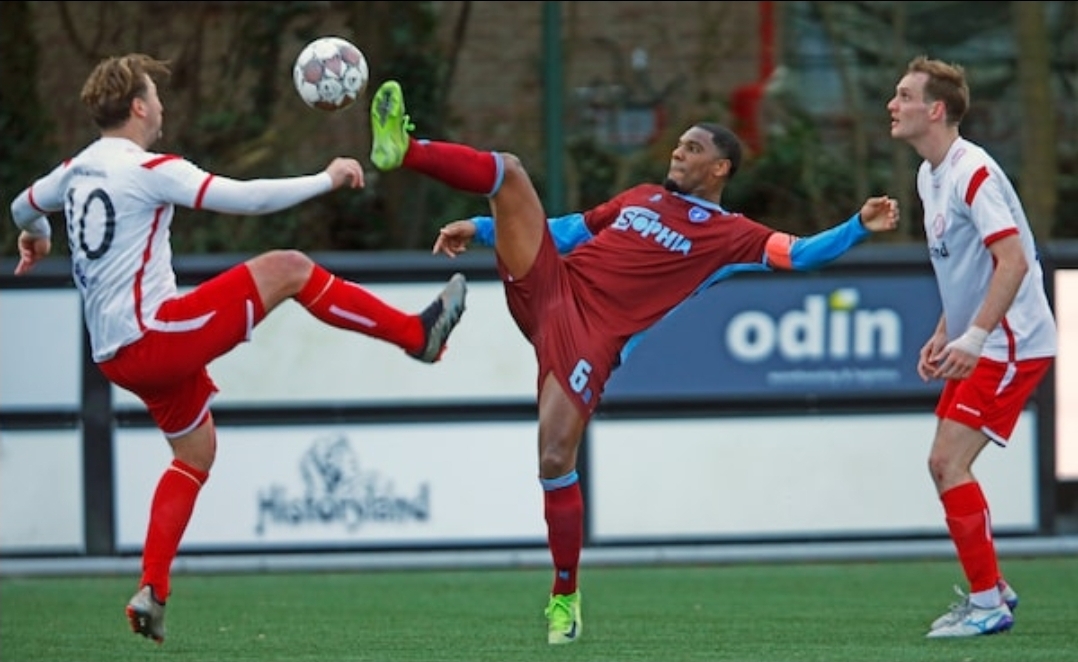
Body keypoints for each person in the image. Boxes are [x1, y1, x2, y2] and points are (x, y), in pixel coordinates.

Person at [368, 80, 899, 644]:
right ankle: (405, 150)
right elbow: (569, 231)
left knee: (553, 457)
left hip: (591, 337)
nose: (679, 152)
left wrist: (857, 228)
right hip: (552, 286)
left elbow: (798, 255)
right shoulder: (641, 196)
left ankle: (564, 596)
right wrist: (480, 229)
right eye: (679, 145)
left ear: (720, 169)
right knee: (509, 171)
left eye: (693, 148)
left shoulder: (730, 235)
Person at [8, 53, 468, 644]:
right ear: (141, 107)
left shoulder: (74, 170)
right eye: (157, 96)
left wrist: (36, 236)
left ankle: (151, 589)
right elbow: (245, 198)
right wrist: (326, 178)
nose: (164, 107)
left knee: (195, 454)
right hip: (154, 336)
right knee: (290, 268)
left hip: (115, 355)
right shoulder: (148, 169)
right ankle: (417, 335)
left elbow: (24, 206)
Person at [888, 55, 1057, 638]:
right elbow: (967, 267)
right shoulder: (927, 174)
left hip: (1013, 340)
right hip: (987, 337)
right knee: (944, 463)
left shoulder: (972, 172)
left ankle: (987, 603)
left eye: (904, 95)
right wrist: (945, 331)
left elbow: (1011, 262)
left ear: (935, 110)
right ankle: (994, 587)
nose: (893, 104)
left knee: (946, 461)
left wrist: (977, 335)